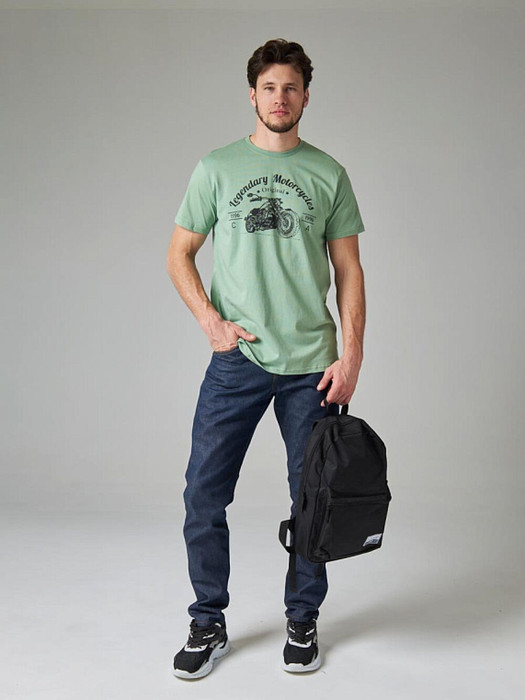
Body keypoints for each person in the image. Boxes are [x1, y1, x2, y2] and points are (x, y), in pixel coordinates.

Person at [166, 38, 366, 679]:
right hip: (239, 362)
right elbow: (179, 252)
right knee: (203, 493)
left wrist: (353, 355)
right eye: (270, 88)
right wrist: (211, 322)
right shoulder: (216, 168)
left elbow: (349, 270)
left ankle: (303, 619)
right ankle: (208, 619)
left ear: (306, 96)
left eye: (291, 88)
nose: (281, 98)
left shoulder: (329, 174)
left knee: (314, 500)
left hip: (313, 365)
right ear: (253, 95)